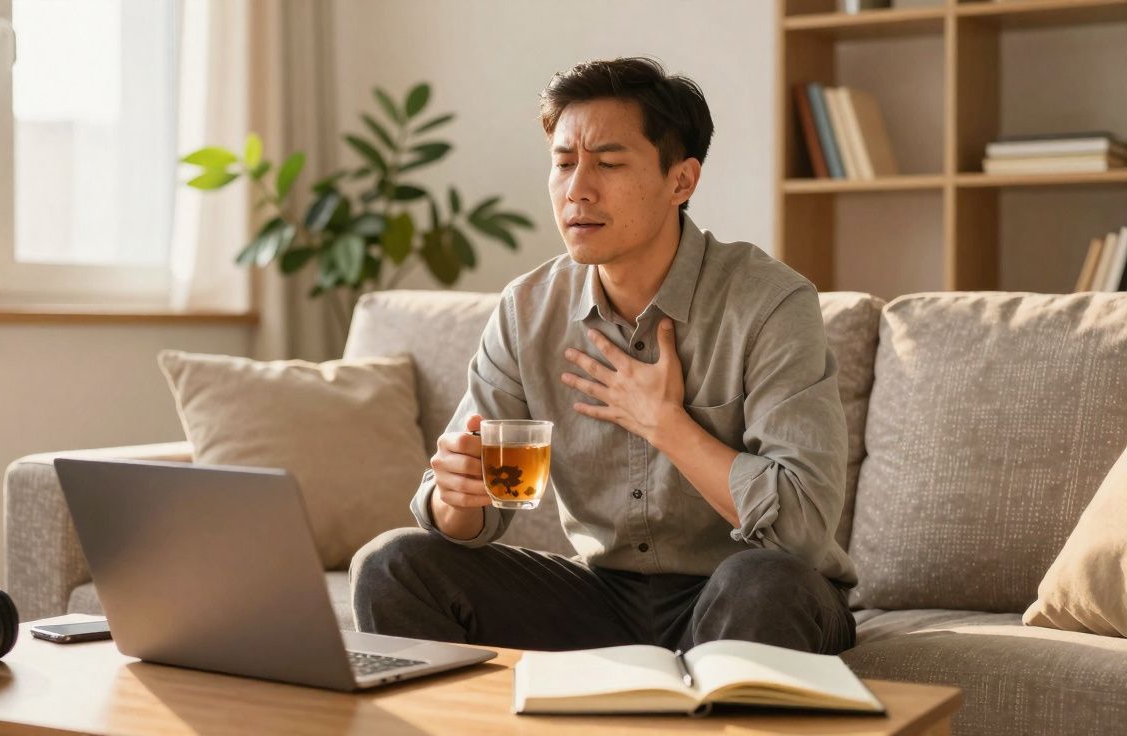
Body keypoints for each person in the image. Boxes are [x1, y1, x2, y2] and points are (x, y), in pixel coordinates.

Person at [350, 57, 856, 655]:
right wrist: (456, 496)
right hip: (601, 598)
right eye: (564, 164)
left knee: (763, 582)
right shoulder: (527, 309)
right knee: (393, 564)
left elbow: (799, 527)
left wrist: (666, 424)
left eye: (609, 164)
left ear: (681, 181)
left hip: (750, 590)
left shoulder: (769, 303)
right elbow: (469, 519)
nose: (577, 189)